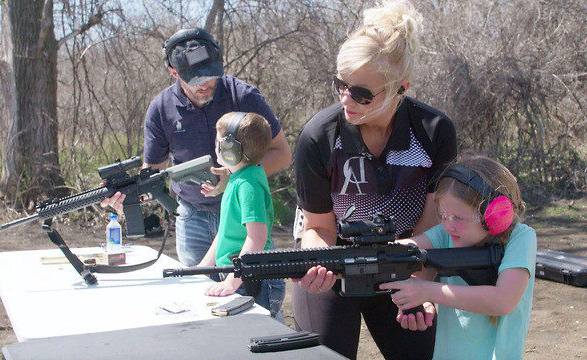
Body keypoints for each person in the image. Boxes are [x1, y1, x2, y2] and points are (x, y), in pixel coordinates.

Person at [291, 0, 457, 359]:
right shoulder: (318, 136)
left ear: (401, 87)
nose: (346, 100)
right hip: (334, 268)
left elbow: (433, 221)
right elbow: (317, 226)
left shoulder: (433, 131)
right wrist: (318, 263)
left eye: (362, 94)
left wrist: (420, 288)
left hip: (405, 264)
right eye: (341, 85)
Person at [101, 28, 292, 267]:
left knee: (247, 290)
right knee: (198, 292)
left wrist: (235, 176)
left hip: (243, 214)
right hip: (192, 217)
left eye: (209, 75)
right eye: (194, 78)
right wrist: (126, 196)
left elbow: (282, 154)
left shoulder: (244, 96)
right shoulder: (161, 108)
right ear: (173, 72)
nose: (204, 84)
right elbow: (153, 172)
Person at [379, 155, 537, 359]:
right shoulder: (447, 234)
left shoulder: (520, 238)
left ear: (495, 214)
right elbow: (399, 252)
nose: (448, 224)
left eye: (458, 218)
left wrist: (427, 291)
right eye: (443, 215)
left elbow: (503, 301)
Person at [197, 111, 286, 321]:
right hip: (242, 277)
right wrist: (201, 268)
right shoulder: (240, 177)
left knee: (258, 341)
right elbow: (225, 232)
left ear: (231, 149)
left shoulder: (248, 185)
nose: (215, 146)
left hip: (253, 282)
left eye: (219, 142)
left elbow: (257, 238)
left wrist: (232, 281)